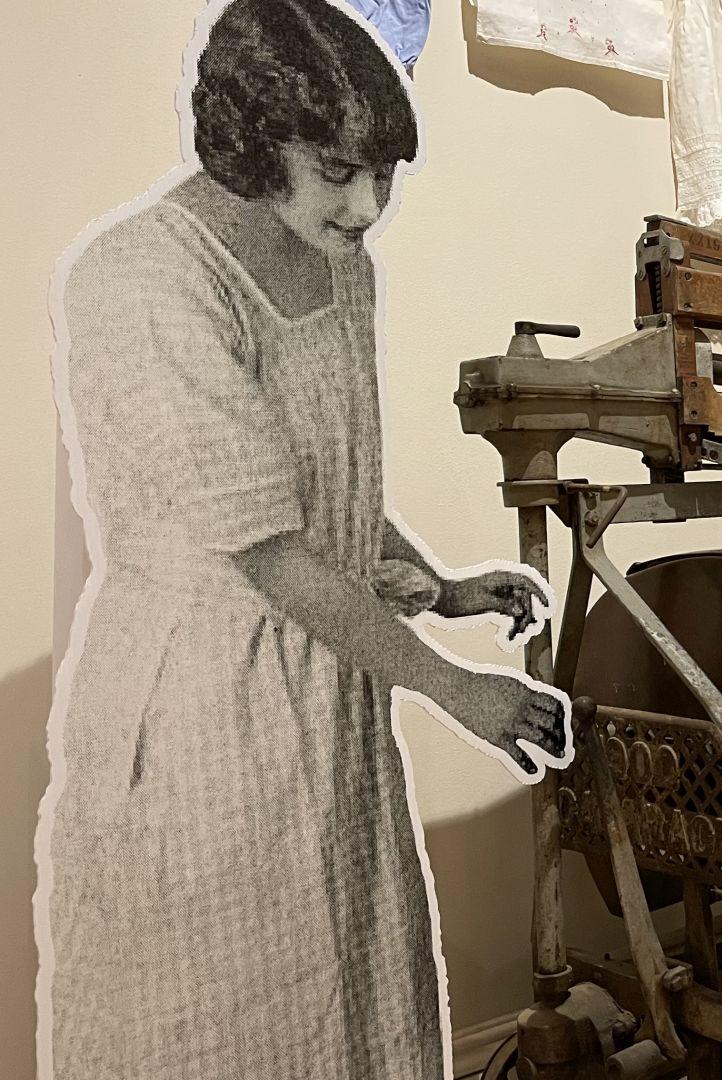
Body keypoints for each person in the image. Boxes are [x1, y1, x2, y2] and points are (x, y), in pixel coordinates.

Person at [43, 1, 566, 1076]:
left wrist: (446, 587)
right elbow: (267, 551)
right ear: (253, 136)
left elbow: (319, 491)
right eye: (337, 169)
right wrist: (457, 688)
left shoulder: (338, 261)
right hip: (200, 711)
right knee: (222, 1023)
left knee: (344, 1003)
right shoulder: (143, 281)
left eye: (382, 174)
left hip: (325, 692)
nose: (366, 205)